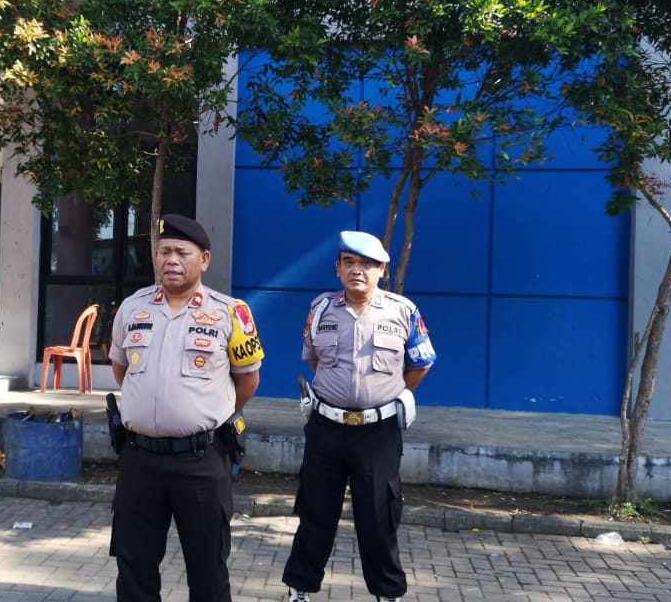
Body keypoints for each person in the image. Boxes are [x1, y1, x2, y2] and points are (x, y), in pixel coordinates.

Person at [107, 213, 264, 602]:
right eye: (164, 252)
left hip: (201, 460)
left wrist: (203, 417)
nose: (171, 260)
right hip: (139, 458)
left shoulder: (231, 312)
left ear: (204, 260)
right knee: (134, 564)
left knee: (207, 565)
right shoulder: (132, 307)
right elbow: (120, 368)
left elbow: (248, 381)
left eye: (182, 252)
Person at [283, 230, 437, 602]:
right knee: (316, 512)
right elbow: (315, 359)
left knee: (378, 516)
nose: (357, 270)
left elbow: (421, 362)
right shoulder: (320, 309)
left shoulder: (403, 311)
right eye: (349, 262)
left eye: (367, 264)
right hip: (326, 429)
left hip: (378, 433)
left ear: (382, 269)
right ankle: (300, 589)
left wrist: (397, 395)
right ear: (337, 269)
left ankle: (387, 592)